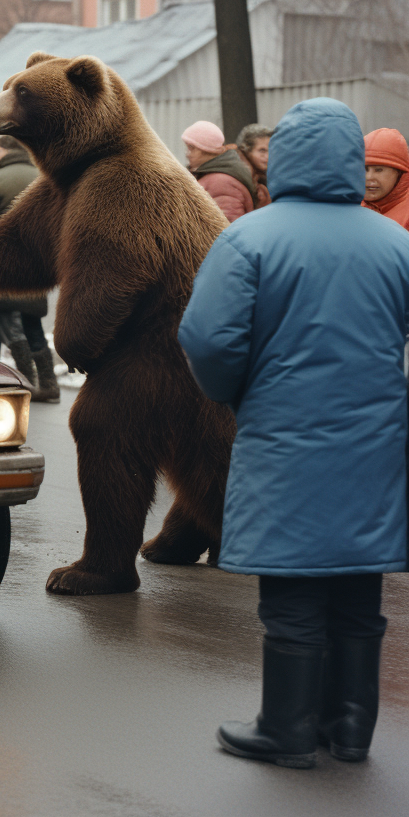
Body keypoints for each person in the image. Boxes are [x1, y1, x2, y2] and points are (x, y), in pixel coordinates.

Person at [178, 98, 409, 769]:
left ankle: (286, 728)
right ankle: (350, 727)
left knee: (294, 586)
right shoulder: (395, 242)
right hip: (376, 440)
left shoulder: (251, 238)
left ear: (283, 158)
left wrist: (232, 394)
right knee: (358, 589)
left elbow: (209, 339)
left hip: (284, 433)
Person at [0, 135, 59, 402]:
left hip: (3, 265)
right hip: (39, 263)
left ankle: (26, 381)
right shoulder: (46, 177)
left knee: (7, 325)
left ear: (0, 150)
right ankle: (48, 382)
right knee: (32, 323)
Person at [183, 120, 256, 222]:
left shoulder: (221, 183)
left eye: (192, 148)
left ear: (208, 149)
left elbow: (225, 230)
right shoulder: (211, 175)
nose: (187, 154)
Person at [362, 127, 409, 231]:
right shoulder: (350, 204)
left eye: (379, 170)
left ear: (399, 173)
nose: (369, 177)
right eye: (365, 169)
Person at [236, 123, 272, 208]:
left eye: (270, 150)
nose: (267, 156)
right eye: (262, 151)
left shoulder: (264, 176)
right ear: (246, 150)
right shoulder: (239, 177)